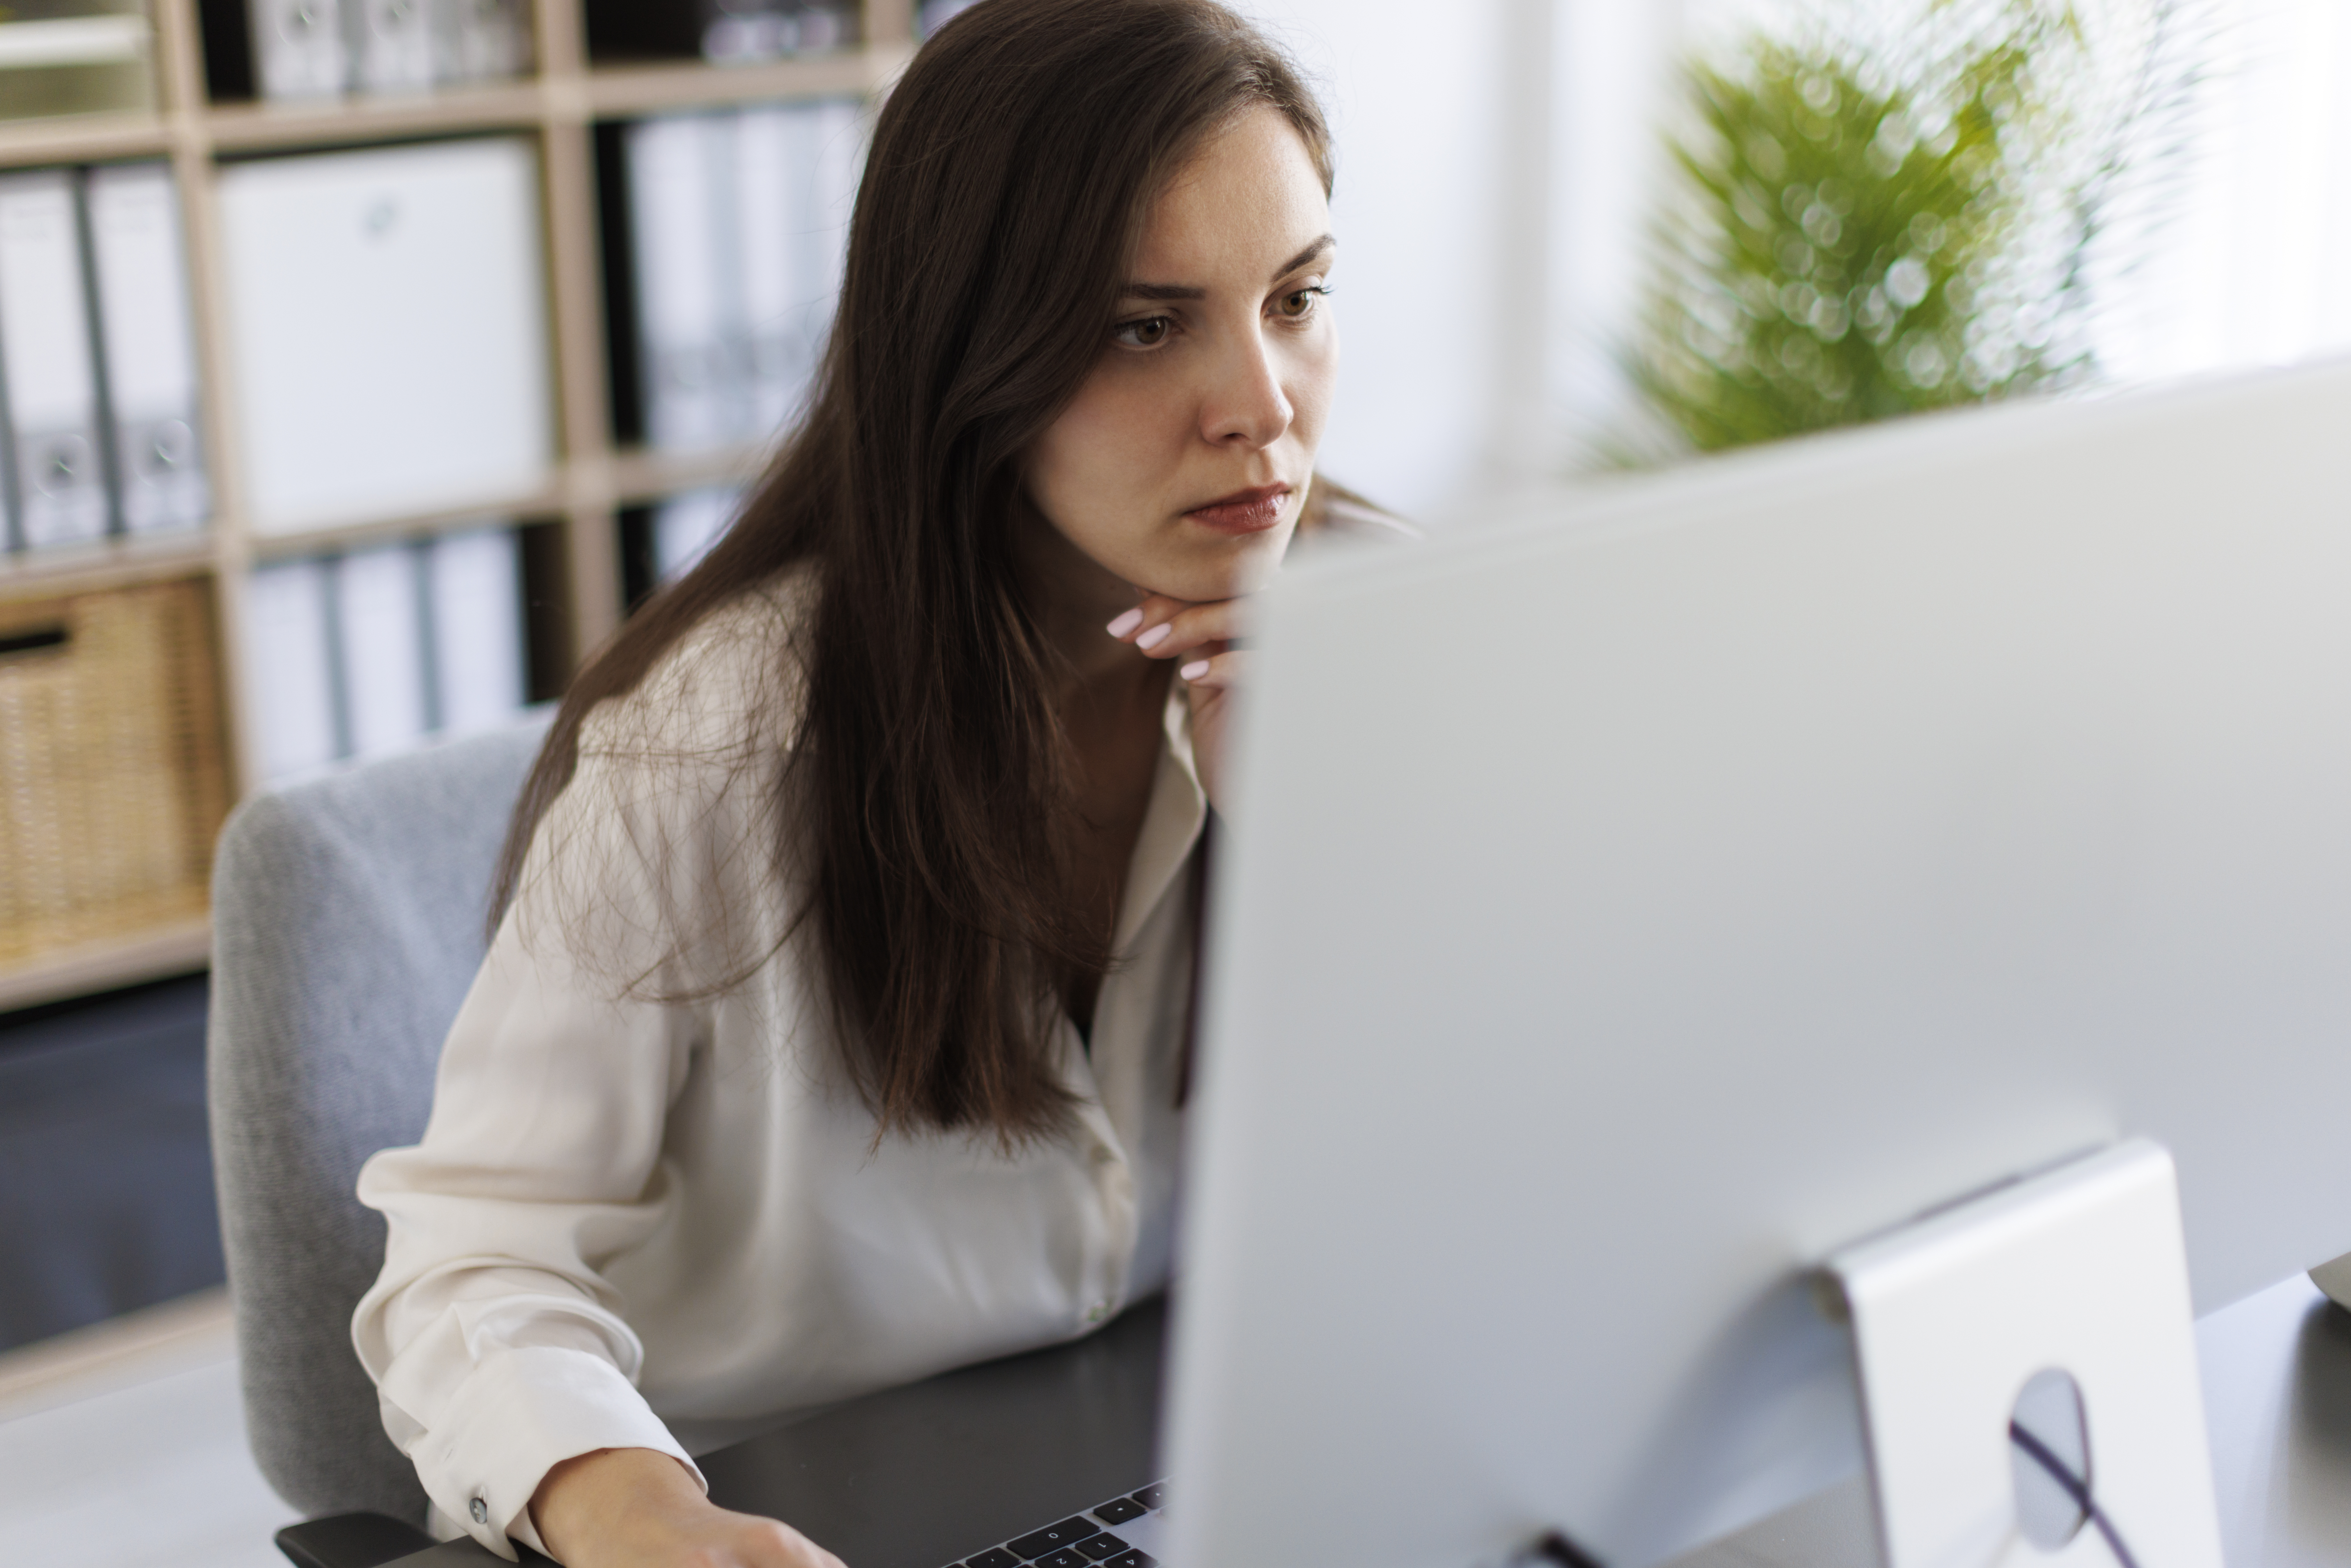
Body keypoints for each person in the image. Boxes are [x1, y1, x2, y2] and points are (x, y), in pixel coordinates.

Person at [351, 2, 1406, 1563]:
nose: (1262, 403)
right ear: (975, 354)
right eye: (1145, 324)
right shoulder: (724, 744)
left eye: (1298, 297)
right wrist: (644, 1517)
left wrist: (1336, 850)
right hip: (797, 1505)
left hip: (1184, 1459)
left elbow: (1515, 1155)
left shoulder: (1388, 634)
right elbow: (468, 1265)